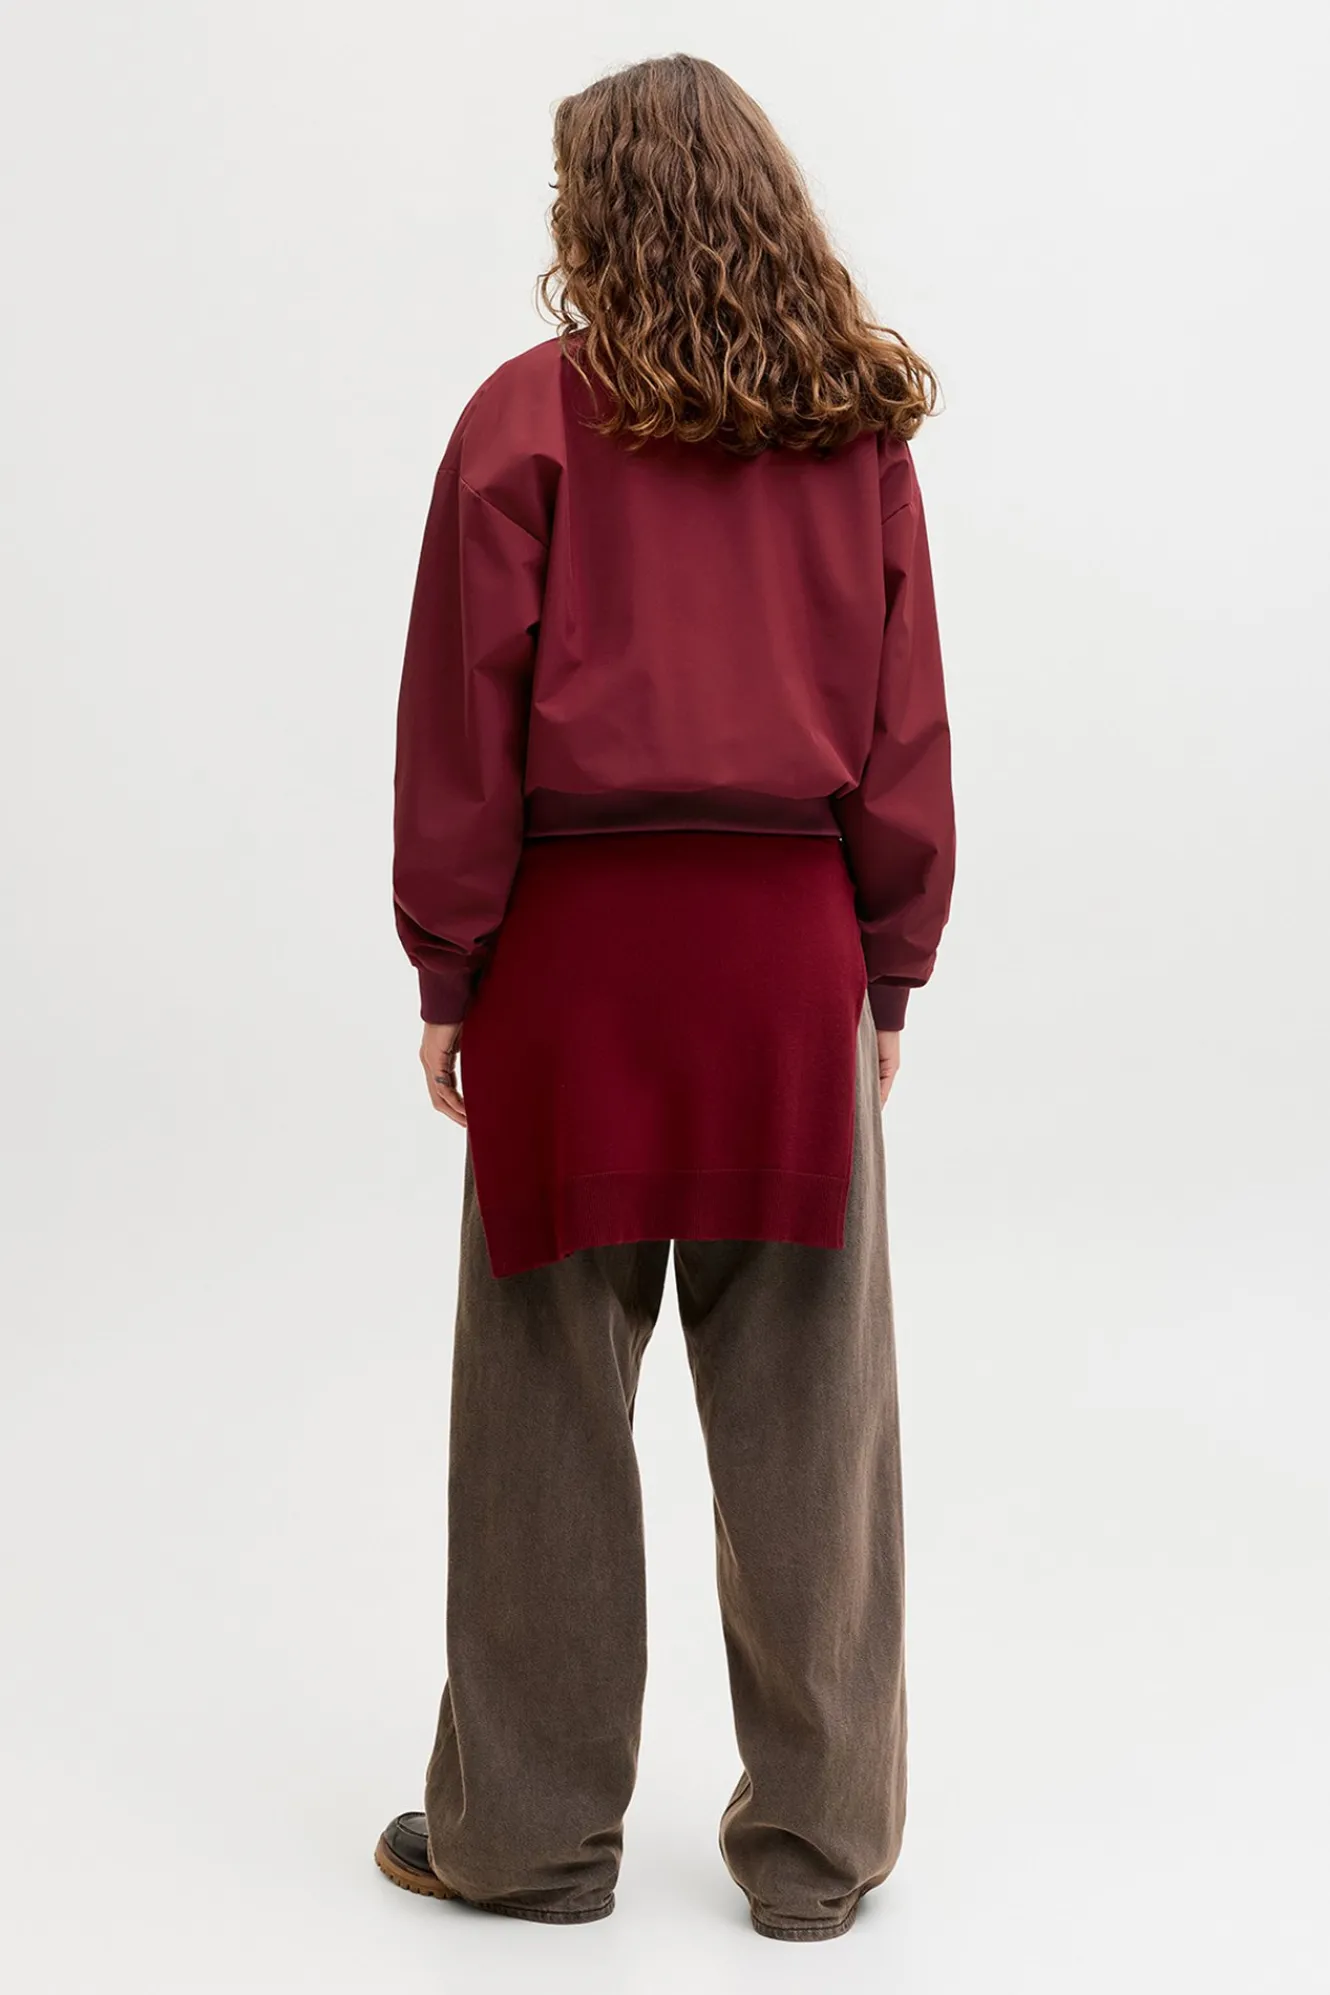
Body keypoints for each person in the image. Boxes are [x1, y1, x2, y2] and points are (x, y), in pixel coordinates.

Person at [374, 52, 956, 1943]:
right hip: (783, 965)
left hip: (577, 967)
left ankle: (527, 1838)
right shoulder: (852, 437)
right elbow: (902, 732)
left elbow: (460, 721)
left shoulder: (520, 420)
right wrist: (884, 967)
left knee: (539, 1405)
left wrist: (451, 962)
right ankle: (819, 1847)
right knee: (812, 1417)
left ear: (592, 213)